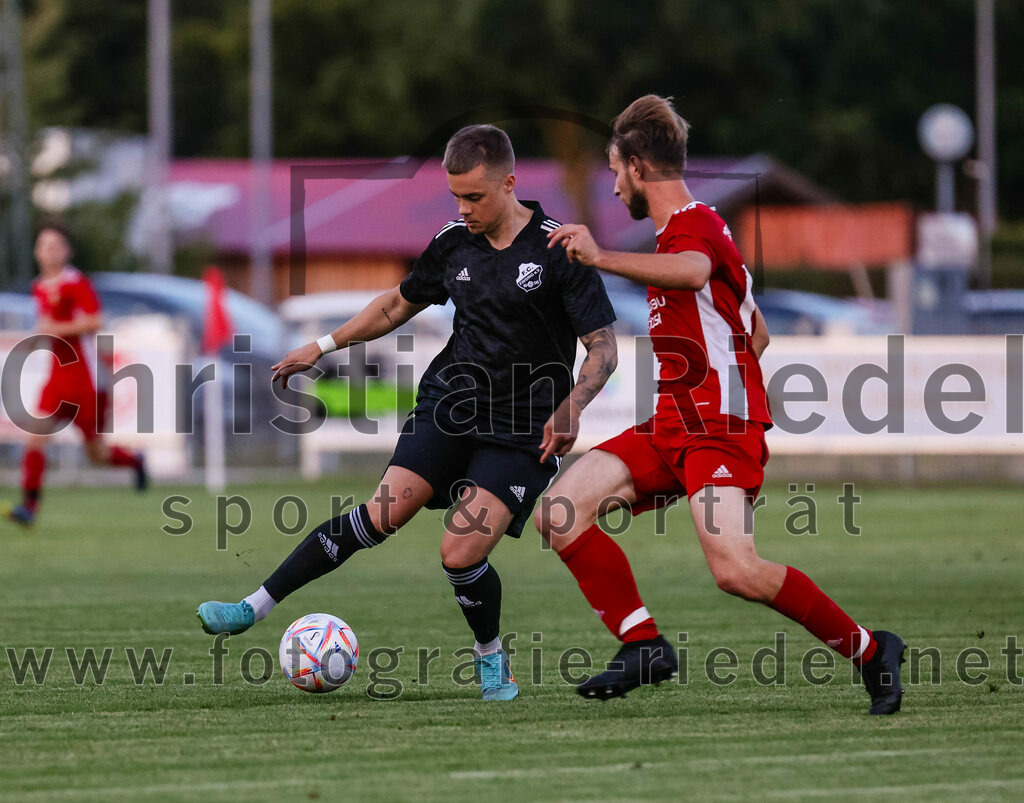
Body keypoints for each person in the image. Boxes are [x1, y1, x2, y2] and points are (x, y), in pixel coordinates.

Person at [197, 124, 617, 701]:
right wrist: (320, 347)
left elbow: (603, 347)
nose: (463, 209)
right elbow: (397, 303)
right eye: (455, 197)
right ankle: (252, 606)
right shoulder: (453, 243)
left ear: (509, 183)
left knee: (459, 551)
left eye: (475, 196)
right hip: (450, 405)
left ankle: (490, 655)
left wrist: (571, 407)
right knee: (381, 515)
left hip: (524, 430)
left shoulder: (557, 248)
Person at [539, 95, 905, 715]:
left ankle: (872, 651)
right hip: (674, 424)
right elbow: (754, 330)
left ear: (636, 166)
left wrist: (600, 256)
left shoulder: (694, 224)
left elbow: (690, 271)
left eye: (614, 169)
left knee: (736, 570)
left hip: (717, 426)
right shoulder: (683, 234)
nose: (613, 181)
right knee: (560, 510)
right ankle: (643, 645)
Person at [3, 225, 147, 528]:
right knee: (35, 438)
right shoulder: (39, 286)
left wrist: (55, 329)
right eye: (44, 245)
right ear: (36, 252)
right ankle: (29, 508)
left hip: (86, 380)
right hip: (56, 378)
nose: (50, 251)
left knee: (96, 453)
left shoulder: (75, 282)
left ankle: (135, 461)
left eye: (56, 245)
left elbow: (95, 320)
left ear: (67, 251)